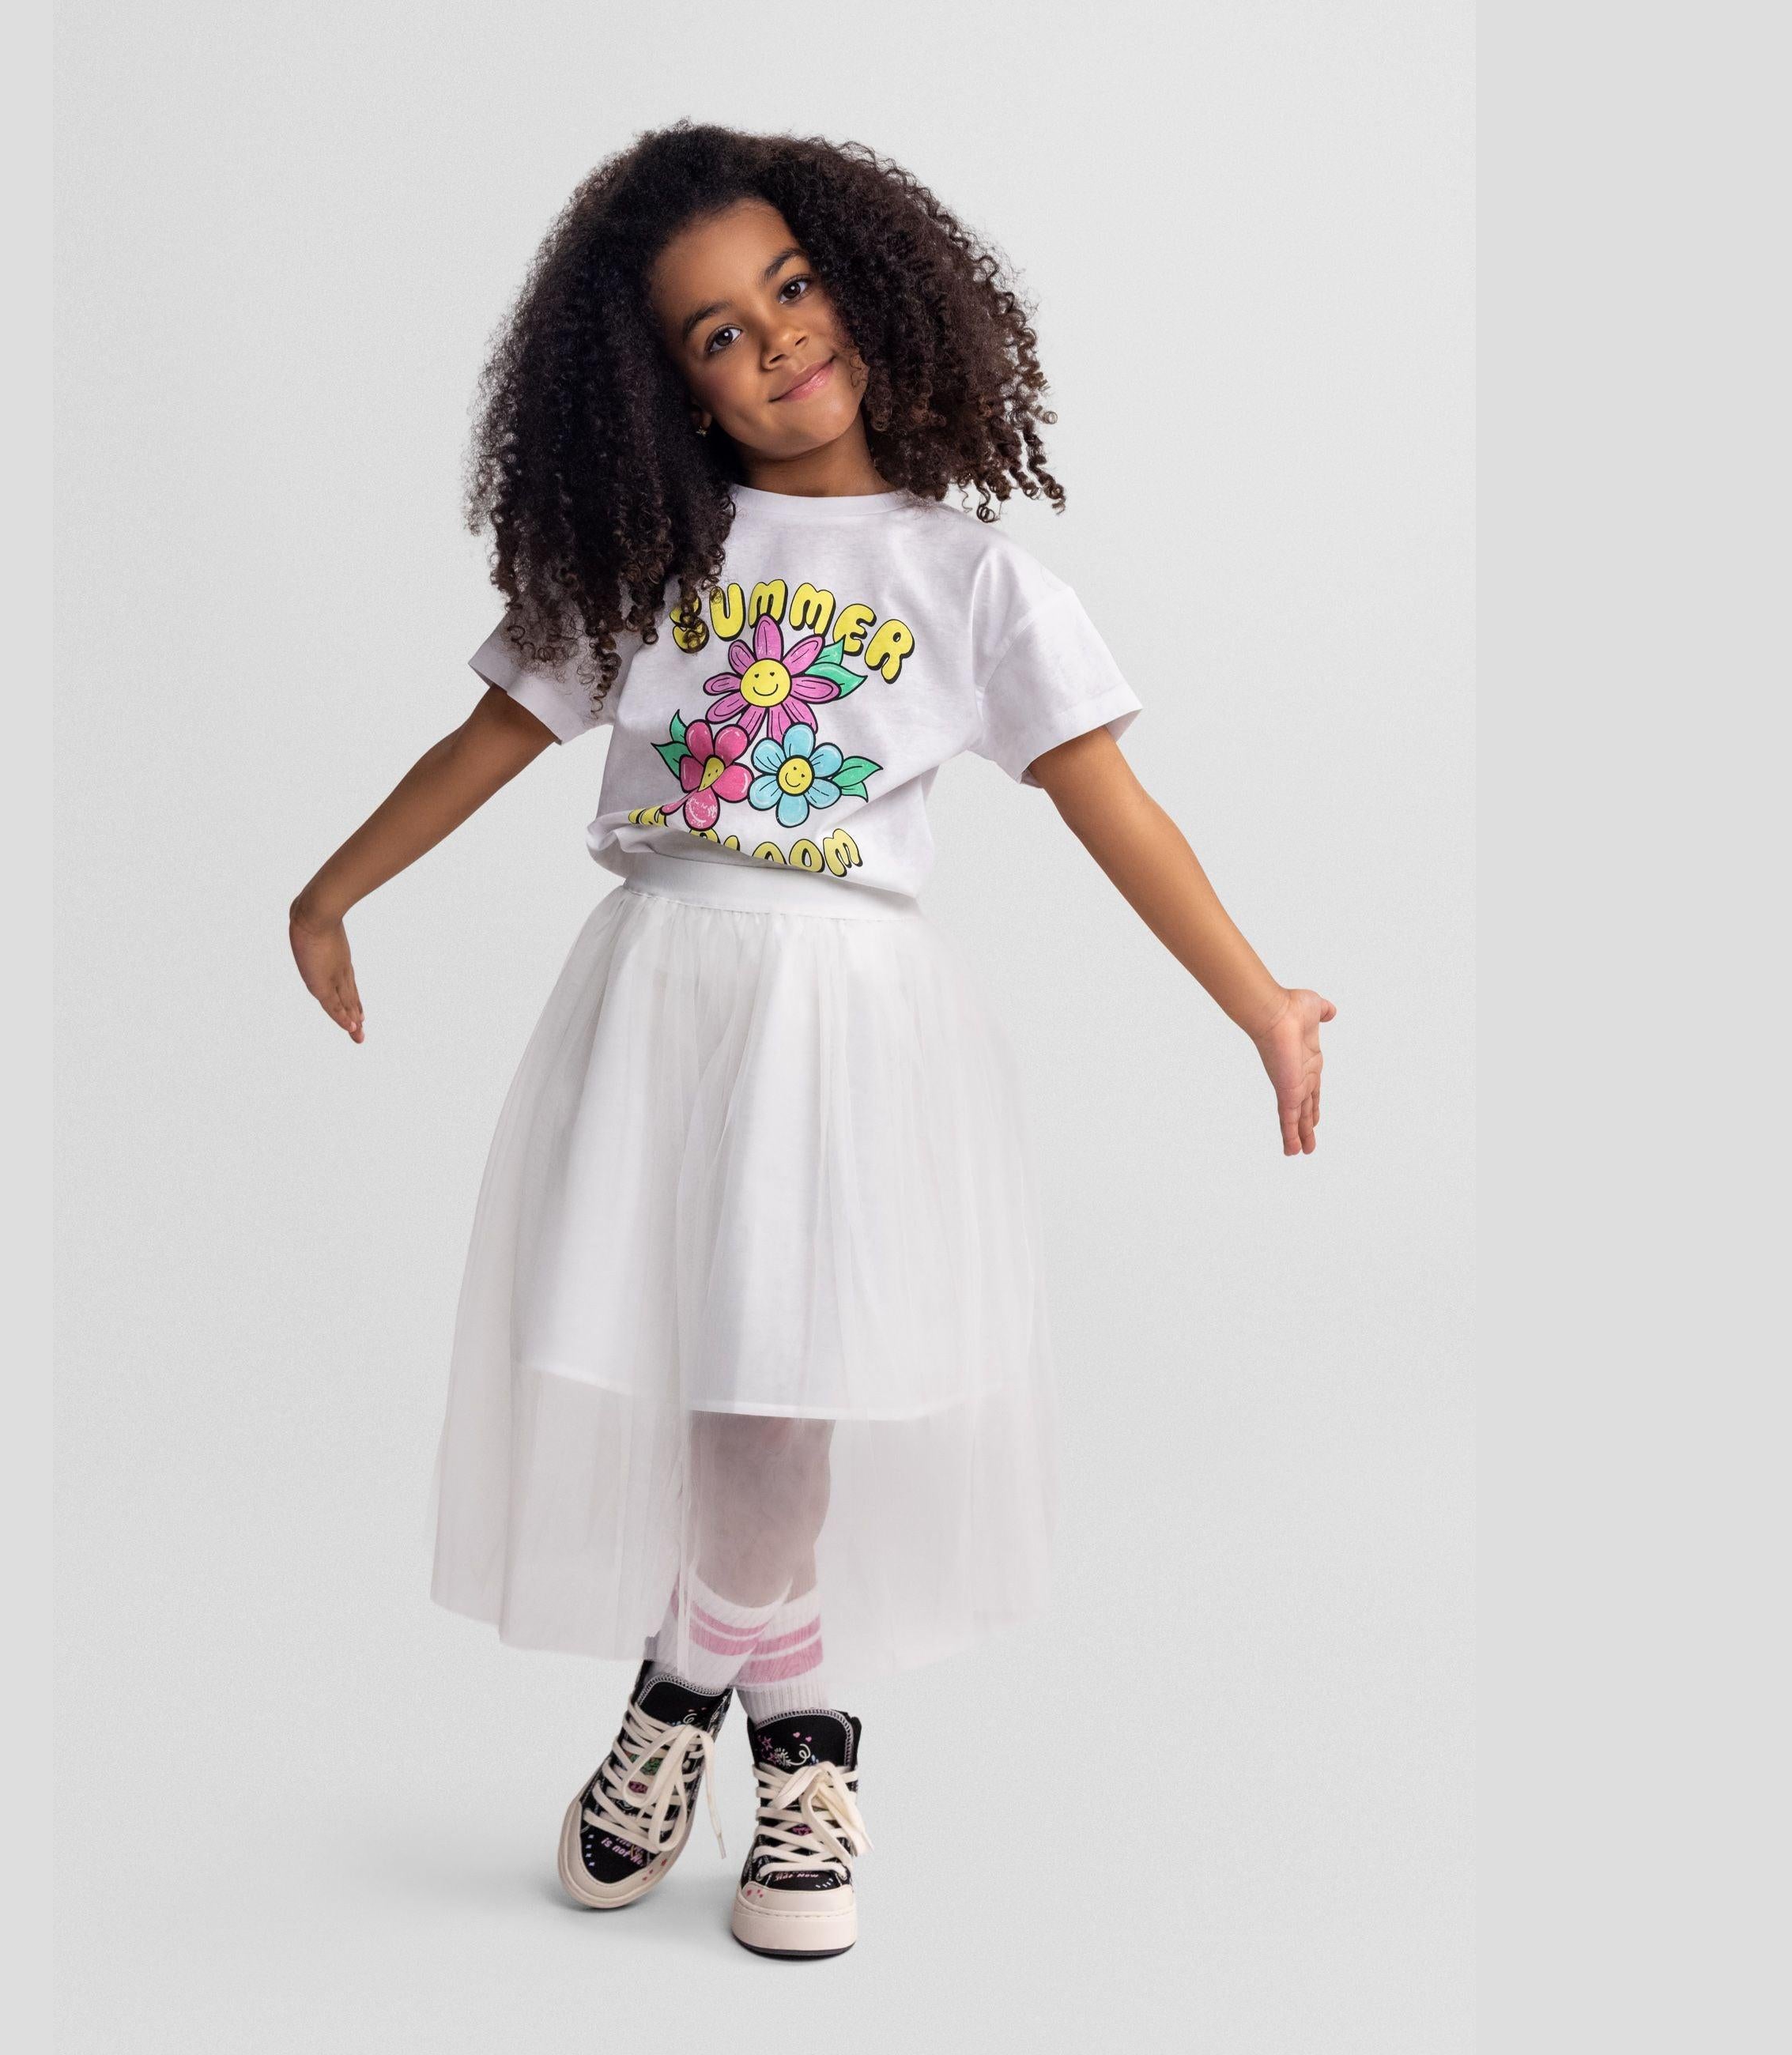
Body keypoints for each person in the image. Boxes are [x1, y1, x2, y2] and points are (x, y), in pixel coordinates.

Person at [289, 121, 1335, 1961]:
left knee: (783, 1381)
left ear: (865, 274)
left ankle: (700, 1686)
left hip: (844, 1022)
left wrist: (1257, 997)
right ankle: (795, 1719)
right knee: (705, 1368)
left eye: (787, 286)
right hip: (666, 997)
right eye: (712, 332)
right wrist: (329, 889)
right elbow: (485, 741)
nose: (772, 340)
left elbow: (1116, 808)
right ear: (657, 390)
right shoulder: (648, 558)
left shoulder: (969, 579)